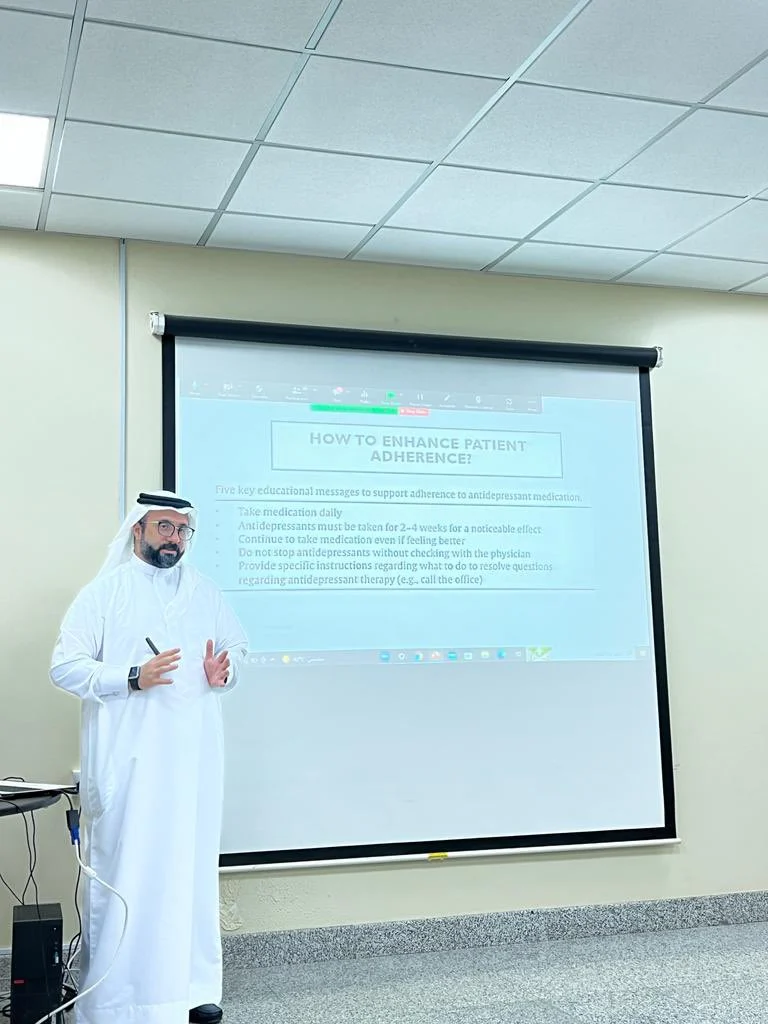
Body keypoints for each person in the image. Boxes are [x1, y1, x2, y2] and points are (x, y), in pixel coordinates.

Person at [50, 491, 248, 1024]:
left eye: (182, 530)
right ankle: (119, 1002)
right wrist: (133, 676)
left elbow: (237, 648)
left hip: (193, 766)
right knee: (131, 872)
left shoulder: (205, 592)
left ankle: (190, 989)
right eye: (164, 527)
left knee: (189, 873)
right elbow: (64, 667)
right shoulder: (105, 594)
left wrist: (225, 672)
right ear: (138, 529)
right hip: (129, 768)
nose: (174, 538)